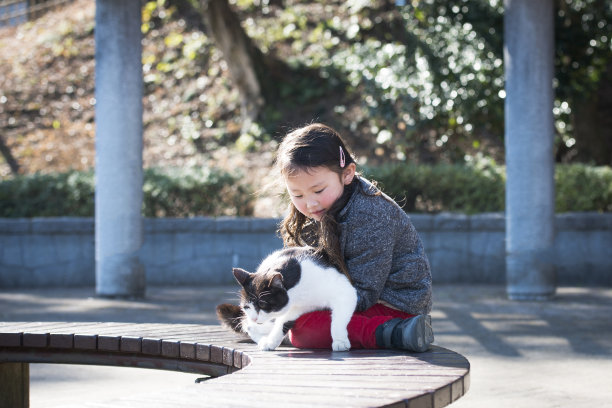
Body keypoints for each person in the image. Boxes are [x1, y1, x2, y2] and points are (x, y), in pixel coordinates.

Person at [275, 123, 434, 352]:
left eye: (318, 191)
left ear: (347, 173)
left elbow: (363, 295)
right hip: (348, 295)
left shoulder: (371, 216)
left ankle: (395, 332)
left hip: (394, 304)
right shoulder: (321, 208)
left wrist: (302, 305)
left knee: (304, 329)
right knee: (280, 313)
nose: (309, 203)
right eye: (297, 194)